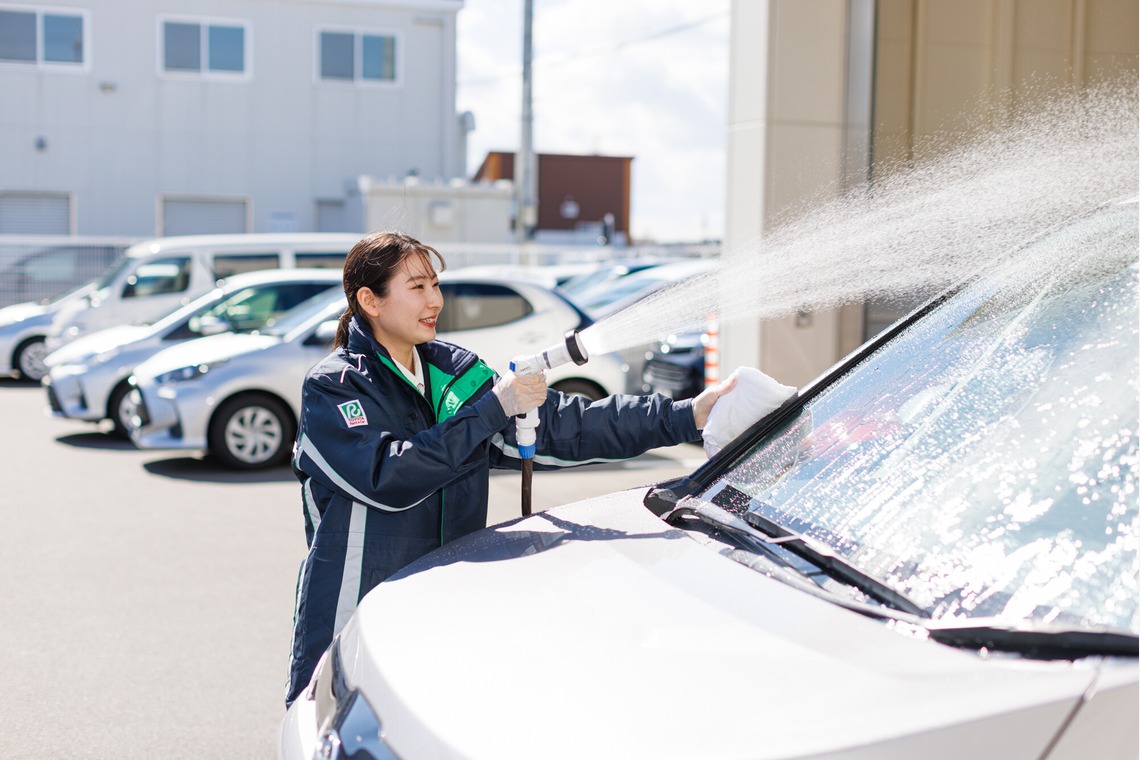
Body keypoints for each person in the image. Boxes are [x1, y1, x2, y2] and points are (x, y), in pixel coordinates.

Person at [285, 231, 733, 705]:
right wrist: (491, 410)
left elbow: (568, 425)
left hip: (442, 602)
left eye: (436, 285)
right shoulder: (334, 387)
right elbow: (390, 478)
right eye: (417, 288)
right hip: (353, 612)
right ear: (369, 301)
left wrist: (689, 415)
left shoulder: (453, 371)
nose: (434, 300)